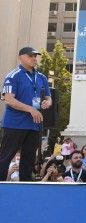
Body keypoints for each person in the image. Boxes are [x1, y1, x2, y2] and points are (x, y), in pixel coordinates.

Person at [0, 47, 52, 182]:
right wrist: (30, 109)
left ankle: (25, 187)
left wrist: (48, 102)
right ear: (20, 57)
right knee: (6, 156)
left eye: (36, 56)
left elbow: (48, 97)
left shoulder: (41, 77)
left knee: (29, 159)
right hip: (15, 124)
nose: (34, 58)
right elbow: (8, 99)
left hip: (34, 125)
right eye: (30, 56)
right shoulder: (13, 76)